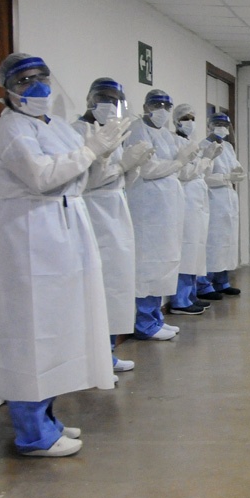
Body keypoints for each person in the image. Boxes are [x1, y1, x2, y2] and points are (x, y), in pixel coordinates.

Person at [0, 54, 126, 456]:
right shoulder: (12, 128)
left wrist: (100, 153)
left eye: (41, 77)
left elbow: (78, 175)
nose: (36, 87)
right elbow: (41, 176)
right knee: (31, 334)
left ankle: (47, 419)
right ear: (8, 90)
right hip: (30, 234)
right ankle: (31, 433)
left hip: (62, 229)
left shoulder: (48, 124)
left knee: (56, 330)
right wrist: (90, 152)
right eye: (24, 81)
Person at [73, 78, 153, 373]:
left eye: (114, 99)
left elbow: (119, 176)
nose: (109, 104)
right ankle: (93, 358)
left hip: (116, 209)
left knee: (116, 284)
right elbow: (85, 179)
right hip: (95, 212)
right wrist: (122, 165)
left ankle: (106, 353)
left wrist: (132, 165)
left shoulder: (114, 132)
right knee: (99, 285)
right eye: (104, 98)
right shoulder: (78, 132)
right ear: (90, 99)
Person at [125, 89, 197, 340]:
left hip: (166, 207)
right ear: (145, 106)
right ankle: (145, 322)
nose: (162, 111)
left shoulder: (165, 134)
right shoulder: (138, 130)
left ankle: (156, 317)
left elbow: (176, 169)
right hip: (148, 208)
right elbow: (147, 169)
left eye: (167, 106)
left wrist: (182, 162)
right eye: (156, 105)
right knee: (148, 264)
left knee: (164, 262)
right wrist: (178, 163)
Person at [169, 103, 220, 315]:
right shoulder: (173, 141)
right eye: (185, 118)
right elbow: (186, 172)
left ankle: (190, 295)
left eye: (192, 118)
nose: (189, 122)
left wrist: (207, 159)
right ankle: (180, 300)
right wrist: (206, 159)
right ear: (176, 120)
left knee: (196, 248)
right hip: (186, 199)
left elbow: (198, 170)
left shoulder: (189, 142)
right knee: (187, 248)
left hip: (197, 199)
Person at [196, 113, 244, 300]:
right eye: (217, 124)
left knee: (227, 242)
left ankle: (222, 281)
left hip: (228, 199)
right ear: (209, 126)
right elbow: (203, 175)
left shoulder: (228, 147)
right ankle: (204, 284)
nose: (222, 128)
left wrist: (237, 174)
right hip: (213, 199)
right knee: (212, 243)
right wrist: (225, 178)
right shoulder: (203, 147)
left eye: (225, 125)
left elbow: (234, 168)